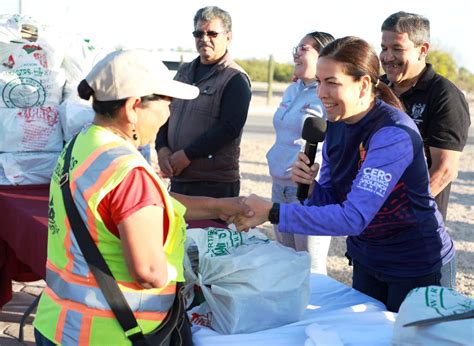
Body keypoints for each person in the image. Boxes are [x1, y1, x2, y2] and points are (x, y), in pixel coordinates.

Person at [33, 49, 251, 345]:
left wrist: (219, 206)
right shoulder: (128, 170)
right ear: (134, 107)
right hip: (109, 333)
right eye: (167, 103)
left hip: (57, 321)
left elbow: (139, 206)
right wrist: (187, 266)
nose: (170, 113)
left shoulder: (83, 145)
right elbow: (149, 272)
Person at [234, 37, 456, 312]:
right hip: (368, 260)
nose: (321, 93)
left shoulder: (392, 133)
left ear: (363, 84)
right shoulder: (335, 123)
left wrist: (273, 212)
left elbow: (353, 217)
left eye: (332, 83)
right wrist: (313, 189)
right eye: (319, 81)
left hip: (415, 265)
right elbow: (336, 198)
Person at [380, 11, 471, 220]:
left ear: (422, 50)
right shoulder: (377, 88)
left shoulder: (444, 95)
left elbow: (444, 169)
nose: (387, 57)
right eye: (384, 48)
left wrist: (397, 212)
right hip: (371, 223)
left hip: (415, 224)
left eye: (397, 48)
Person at [155, 6, 251, 199]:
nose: (204, 39)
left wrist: (188, 154)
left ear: (228, 37)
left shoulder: (235, 78)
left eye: (212, 33)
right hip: (179, 178)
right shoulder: (183, 72)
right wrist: (162, 148)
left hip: (213, 184)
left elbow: (229, 128)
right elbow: (164, 110)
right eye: (199, 33)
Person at [266, 31, 334, 274]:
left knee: (310, 268)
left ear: (323, 56)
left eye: (303, 48)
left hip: (305, 192)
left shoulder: (327, 94)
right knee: (285, 264)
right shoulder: (292, 90)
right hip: (278, 187)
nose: (296, 52)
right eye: (296, 47)